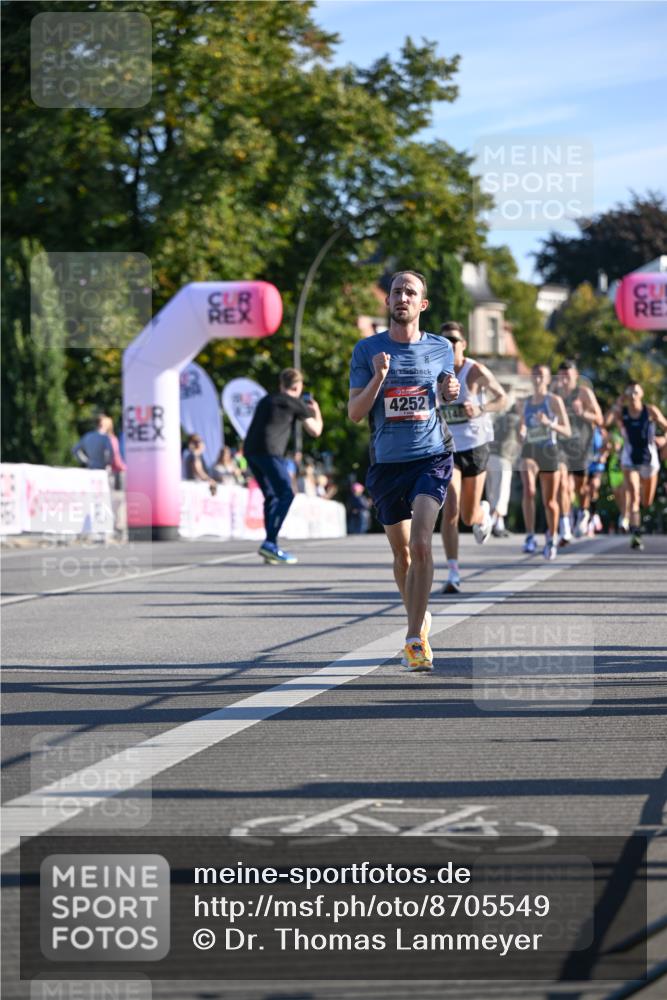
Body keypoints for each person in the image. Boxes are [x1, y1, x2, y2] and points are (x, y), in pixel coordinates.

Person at [348, 270, 459, 672]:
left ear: (422, 305)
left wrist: (450, 392)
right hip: (387, 464)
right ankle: (419, 612)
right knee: (403, 554)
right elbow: (356, 414)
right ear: (388, 302)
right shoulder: (366, 350)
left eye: (410, 292)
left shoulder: (440, 348)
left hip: (431, 457)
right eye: (397, 291)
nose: (402, 297)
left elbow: (446, 388)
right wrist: (378, 376)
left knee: (423, 544)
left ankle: (415, 639)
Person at [438, 322, 507, 594]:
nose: (449, 345)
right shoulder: (435, 372)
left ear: (463, 344)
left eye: (454, 340)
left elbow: (502, 398)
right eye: (444, 341)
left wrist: (480, 407)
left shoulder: (474, 370)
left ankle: (483, 512)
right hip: (448, 447)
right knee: (451, 507)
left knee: (468, 516)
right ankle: (453, 571)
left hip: (476, 447)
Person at [244, 368, 323, 564]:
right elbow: (315, 431)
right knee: (286, 494)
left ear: (281, 384)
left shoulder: (266, 400)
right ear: (298, 386)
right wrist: (316, 411)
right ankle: (270, 543)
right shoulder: (295, 403)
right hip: (270, 452)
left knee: (271, 495)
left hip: (251, 451)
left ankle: (270, 546)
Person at [518, 364, 571, 560]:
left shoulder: (554, 401)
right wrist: (521, 432)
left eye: (541, 375)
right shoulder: (524, 403)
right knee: (529, 490)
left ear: (548, 379)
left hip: (549, 449)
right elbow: (520, 431)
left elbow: (568, 430)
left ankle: (552, 537)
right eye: (534, 374)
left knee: (550, 501)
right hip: (530, 449)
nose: (537, 377)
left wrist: (549, 423)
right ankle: (530, 536)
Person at [606, 382, 667, 550]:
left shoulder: (650, 410)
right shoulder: (623, 412)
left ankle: (639, 514)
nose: (632, 395)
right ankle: (636, 535)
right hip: (630, 459)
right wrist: (617, 403)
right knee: (633, 496)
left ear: (641, 394)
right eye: (629, 392)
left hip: (649, 459)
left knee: (646, 501)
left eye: (635, 392)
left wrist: (664, 439)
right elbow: (606, 421)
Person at [554, 360, 603, 542]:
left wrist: (582, 412)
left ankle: (584, 511)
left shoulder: (584, 393)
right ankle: (565, 526)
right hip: (561, 447)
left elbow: (600, 419)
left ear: (576, 375)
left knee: (581, 489)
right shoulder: (555, 394)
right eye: (561, 376)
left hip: (582, 447)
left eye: (568, 375)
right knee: (564, 485)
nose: (564, 380)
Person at [486, 397, 521, 538]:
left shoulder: (500, 418)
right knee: (502, 492)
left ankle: (498, 525)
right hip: (502, 458)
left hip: (489, 457)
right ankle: (490, 523)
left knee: (492, 493)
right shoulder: (517, 419)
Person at [101, 415, 126, 490]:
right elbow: (116, 455)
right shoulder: (113, 439)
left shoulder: (96, 438)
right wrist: (122, 466)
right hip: (115, 471)